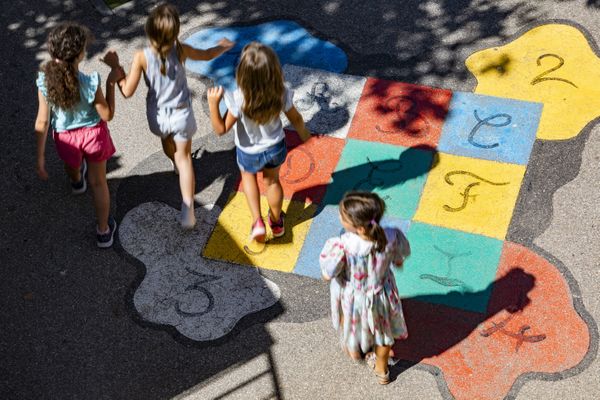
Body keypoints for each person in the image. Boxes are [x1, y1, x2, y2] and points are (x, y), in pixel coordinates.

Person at [107, 2, 234, 228]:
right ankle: (188, 211)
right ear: (175, 32)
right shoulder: (181, 49)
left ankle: (174, 163)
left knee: (169, 146)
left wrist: (117, 70)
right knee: (185, 160)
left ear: (149, 31)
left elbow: (127, 91)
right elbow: (205, 55)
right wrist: (221, 47)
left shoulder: (142, 57)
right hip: (181, 115)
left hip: (158, 117)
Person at [206, 41, 311, 242]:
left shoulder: (238, 98)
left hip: (248, 151)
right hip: (275, 147)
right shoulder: (280, 91)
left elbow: (221, 129)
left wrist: (213, 105)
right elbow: (296, 118)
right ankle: (277, 221)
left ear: (242, 74)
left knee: (248, 178)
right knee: (272, 182)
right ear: (273, 70)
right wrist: (304, 134)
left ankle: (257, 222)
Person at [34, 22, 123, 248]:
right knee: (99, 183)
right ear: (80, 56)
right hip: (93, 135)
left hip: (65, 138)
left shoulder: (44, 81)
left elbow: (43, 120)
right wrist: (111, 83)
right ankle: (103, 231)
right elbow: (107, 115)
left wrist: (41, 156)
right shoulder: (90, 82)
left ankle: (76, 182)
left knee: (72, 163)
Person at [320, 191, 410, 384]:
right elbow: (400, 259)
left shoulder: (342, 245)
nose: (339, 217)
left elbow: (328, 273)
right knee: (384, 334)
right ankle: (382, 370)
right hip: (382, 293)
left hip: (354, 297)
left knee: (352, 323)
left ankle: (355, 349)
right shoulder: (392, 235)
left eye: (342, 216)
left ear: (359, 228)